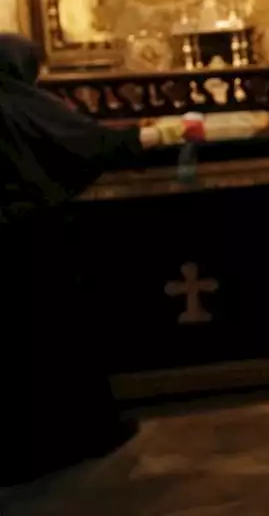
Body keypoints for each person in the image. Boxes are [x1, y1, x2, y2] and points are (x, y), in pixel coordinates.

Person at [0, 33, 201, 485]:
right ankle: (71, 438)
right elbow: (89, 145)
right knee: (49, 343)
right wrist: (158, 133)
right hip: (28, 243)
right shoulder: (19, 103)